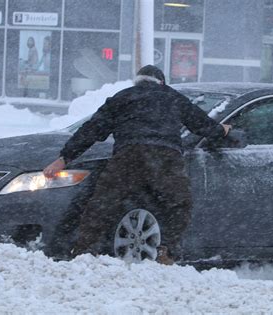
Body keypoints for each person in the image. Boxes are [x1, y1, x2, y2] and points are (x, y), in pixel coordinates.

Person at [43, 65, 230, 264]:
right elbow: (202, 125)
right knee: (178, 204)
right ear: (162, 82)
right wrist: (222, 130)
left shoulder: (123, 97)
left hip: (128, 157)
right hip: (165, 158)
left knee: (102, 204)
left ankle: (84, 252)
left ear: (138, 82)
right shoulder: (173, 97)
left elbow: (92, 129)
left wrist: (64, 158)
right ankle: (166, 251)